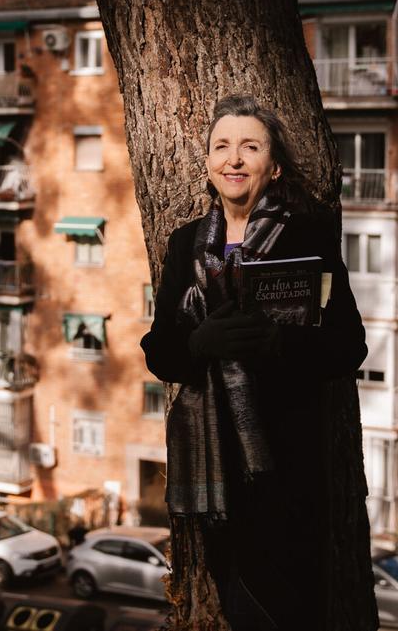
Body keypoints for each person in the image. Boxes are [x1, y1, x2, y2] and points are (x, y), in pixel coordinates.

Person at [140, 94, 367, 630]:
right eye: (222, 146)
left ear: (275, 165)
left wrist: (277, 344)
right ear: (208, 164)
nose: (234, 158)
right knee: (240, 609)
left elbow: (349, 345)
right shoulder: (185, 246)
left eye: (250, 146)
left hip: (288, 472)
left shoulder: (306, 237)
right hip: (214, 472)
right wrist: (201, 344)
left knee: (290, 613)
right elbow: (159, 351)